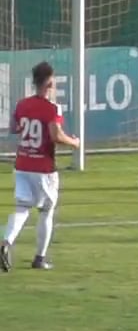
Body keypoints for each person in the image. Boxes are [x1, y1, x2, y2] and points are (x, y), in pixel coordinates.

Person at [6, 62, 80, 273]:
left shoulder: (22, 104)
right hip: (43, 169)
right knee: (46, 211)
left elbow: (14, 128)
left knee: (22, 208)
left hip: (22, 164)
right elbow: (56, 136)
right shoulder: (52, 108)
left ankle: (6, 242)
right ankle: (39, 258)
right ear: (49, 82)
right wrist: (75, 143)